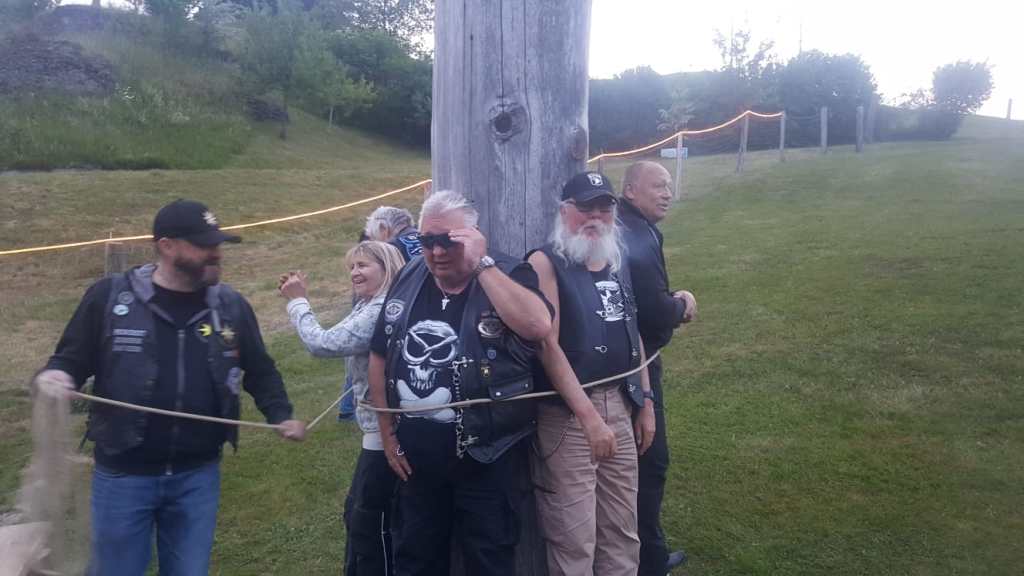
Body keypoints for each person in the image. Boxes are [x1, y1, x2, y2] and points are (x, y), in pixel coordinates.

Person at [33, 199, 306, 576]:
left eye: (217, 243)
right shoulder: (110, 298)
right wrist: (56, 377)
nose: (216, 253)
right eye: (204, 244)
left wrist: (281, 414)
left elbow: (260, 370)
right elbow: (69, 360)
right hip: (123, 476)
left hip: (198, 476)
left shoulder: (231, 306)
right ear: (166, 246)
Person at [367, 190, 552, 576]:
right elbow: (380, 353)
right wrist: (387, 434)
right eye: (427, 240)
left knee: (489, 560)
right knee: (415, 560)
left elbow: (537, 326)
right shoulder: (410, 274)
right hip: (416, 460)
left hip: (486, 455)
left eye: (448, 240)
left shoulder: (507, 271)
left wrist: (482, 265)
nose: (436, 251)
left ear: (473, 235)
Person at [527, 171, 656, 576]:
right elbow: (547, 346)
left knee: (622, 530)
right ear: (565, 211)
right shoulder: (545, 262)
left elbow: (632, 330)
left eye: (604, 208)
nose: (595, 217)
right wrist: (589, 418)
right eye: (586, 208)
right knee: (574, 537)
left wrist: (646, 401)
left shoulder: (616, 258)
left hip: (619, 402)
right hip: (568, 418)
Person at [279, 240, 406, 576]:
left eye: (363, 265)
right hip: (378, 426)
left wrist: (298, 302)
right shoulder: (370, 304)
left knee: (369, 519)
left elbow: (323, 343)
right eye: (351, 266)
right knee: (359, 513)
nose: (354, 273)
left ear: (387, 268)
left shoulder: (380, 310)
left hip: (385, 431)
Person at [619, 161, 697, 575]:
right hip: (638, 365)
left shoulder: (634, 226)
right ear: (631, 191)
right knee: (650, 461)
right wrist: (681, 305)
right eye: (658, 186)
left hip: (627, 359)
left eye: (669, 186)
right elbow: (651, 310)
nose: (667, 193)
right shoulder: (633, 234)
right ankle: (649, 561)